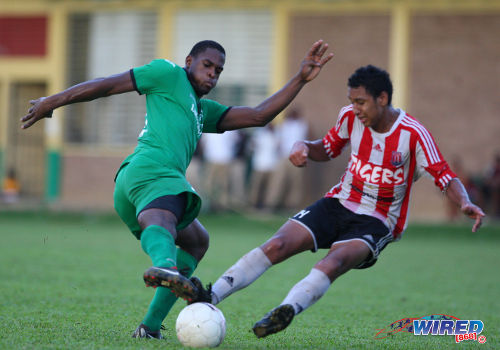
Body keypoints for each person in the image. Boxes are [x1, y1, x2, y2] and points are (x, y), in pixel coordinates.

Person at [21, 39, 333, 339]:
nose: (212, 73)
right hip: (147, 171)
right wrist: (52, 101)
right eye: (207, 65)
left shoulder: (202, 110)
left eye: (218, 70)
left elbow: (259, 115)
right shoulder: (167, 75)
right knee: (168, 215)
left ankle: (150, 326)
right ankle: (165, 266)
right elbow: (107, 85)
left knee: (197, 241)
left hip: (144, 187)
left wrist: (300, 79)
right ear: (189, 62)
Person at [185, 65, 485, 338]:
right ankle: (211, 297)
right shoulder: (349, 117)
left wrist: (464, 202)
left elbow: (445, 176)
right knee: (277, 245)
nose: (355, 108)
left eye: (361, 102)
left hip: (378, 220)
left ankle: (287, 309)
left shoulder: (413, 134)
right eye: (352, 101)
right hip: (339, 202)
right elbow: (327, 148)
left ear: (382, 99)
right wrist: (303, 146)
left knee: (334, 261)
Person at [264, 107, 309, 210]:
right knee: (277, 180)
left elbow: (306, 138)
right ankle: (271, 203)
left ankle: (291, 205)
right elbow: (278, 141)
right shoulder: (283, 125)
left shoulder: (302, 125)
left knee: (296, 182)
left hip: (297, 156)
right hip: (284, 156)